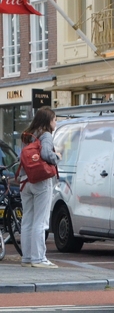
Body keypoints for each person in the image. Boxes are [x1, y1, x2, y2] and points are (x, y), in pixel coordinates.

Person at [20, 107, 59, 269]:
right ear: (48, 121)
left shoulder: (27, 134)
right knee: (40, 221)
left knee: (27, 219)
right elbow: (46, 155)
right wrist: (57, 157)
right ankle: (39, 258)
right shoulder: (46, 135)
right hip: (41, 181)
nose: (56, 122)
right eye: (55, 119)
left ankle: (27, 257)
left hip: (25, 180)